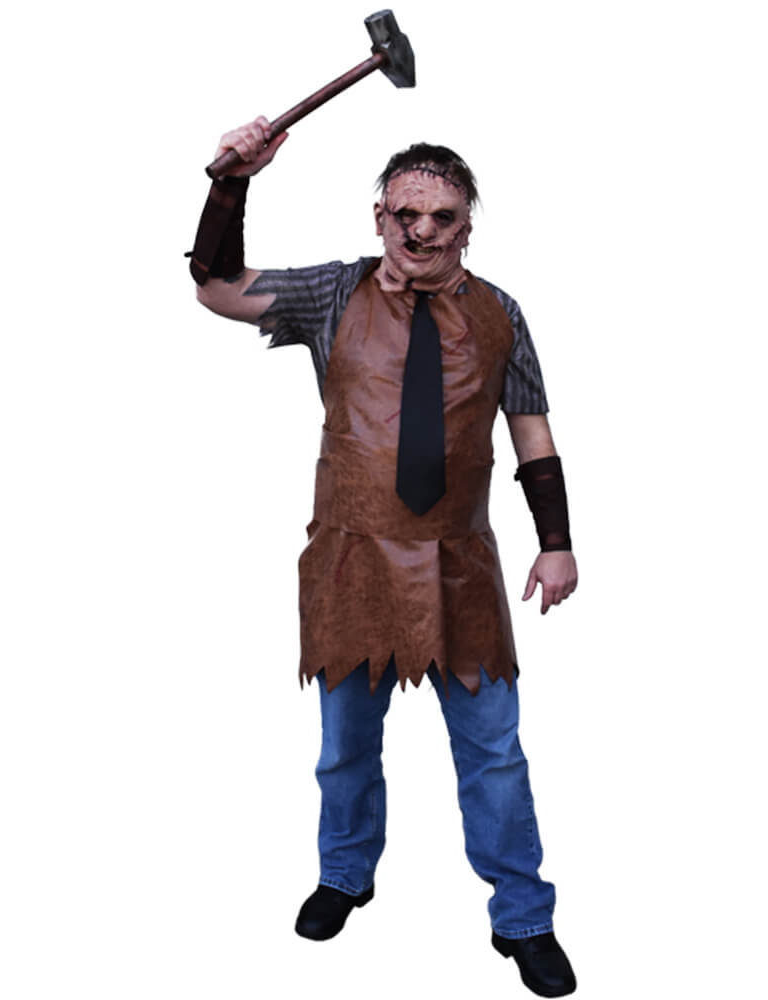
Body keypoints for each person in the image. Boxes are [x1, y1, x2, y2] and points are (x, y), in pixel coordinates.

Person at [188, 116, 579, 998]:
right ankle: (344, 874)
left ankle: (523, 916)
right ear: (379, 217)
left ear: (468, 226)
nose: (422, 231)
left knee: (495, 753)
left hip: (460, 564)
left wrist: (556, 542)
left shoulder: (501, 314)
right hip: (352, 560)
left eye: (443, 217)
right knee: (345, 747)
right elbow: (216, 288)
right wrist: (232, 182)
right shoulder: (333, 293)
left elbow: (532, 433)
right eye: (406, 213)